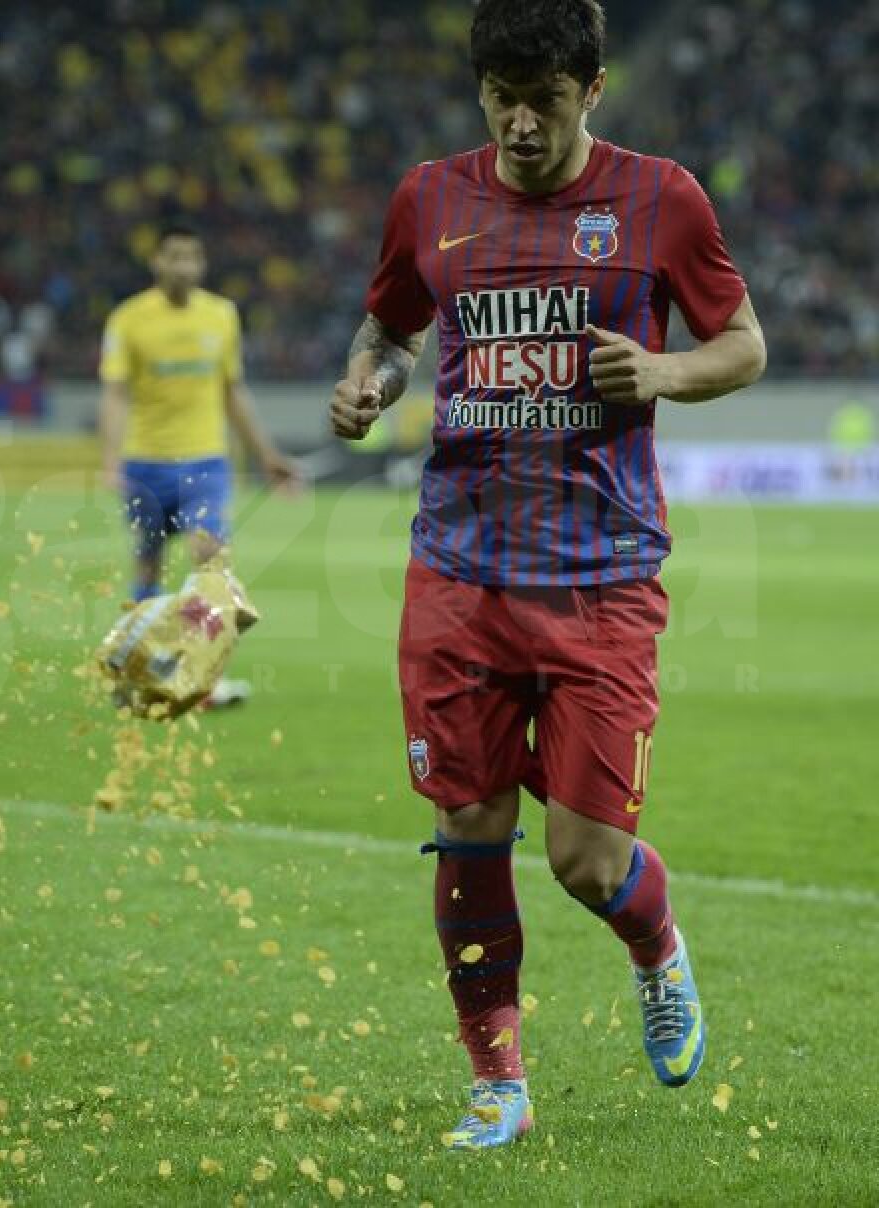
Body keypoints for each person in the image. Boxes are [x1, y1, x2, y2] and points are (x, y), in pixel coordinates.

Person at [330, 0, 765, 1150]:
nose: (522, 125)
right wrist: (368, 384)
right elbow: (390, 327)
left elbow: (745, 344)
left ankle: (655, 946)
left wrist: (665, 370)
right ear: (481, 89)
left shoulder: (660, 198)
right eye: (502, 99)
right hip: (459, 567)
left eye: (548, 101)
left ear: (594, 91)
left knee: (586, 858)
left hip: (600, 572)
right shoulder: (431, 196)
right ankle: (497, 1081)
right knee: (468, 823)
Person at [99, 220, 299, 707]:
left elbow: (233, 392)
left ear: (202, 264)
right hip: (146, 462)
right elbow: (116, 394)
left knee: (210, 560)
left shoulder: (222, 316)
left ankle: (200, 679)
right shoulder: (128, 319)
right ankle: (139, 670)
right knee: (148, 564)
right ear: (158, 262)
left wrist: (266, 455)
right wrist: (111, 458)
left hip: (207, 461)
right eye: (175, 257)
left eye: (193, 257)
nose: (184, 266)